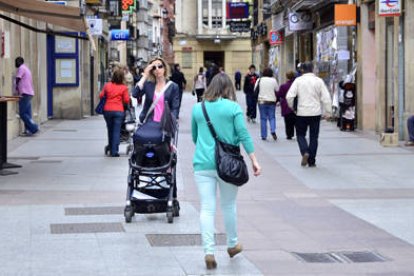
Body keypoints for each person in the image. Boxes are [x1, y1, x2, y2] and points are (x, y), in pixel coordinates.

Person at [191, 73, 261, 270]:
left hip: (203, 164)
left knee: (207, 207)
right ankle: (232, 245)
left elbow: (195, 138)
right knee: (228, 205)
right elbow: (243, 135)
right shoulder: (233, 108)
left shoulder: (198, 108)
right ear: (228, 88)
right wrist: (254, 160)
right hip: (228, 164)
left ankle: (209, 251)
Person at [133, 57, 181, 201]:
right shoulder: (148, 85)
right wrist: (145, 75)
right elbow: (134, 94)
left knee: (168, 159)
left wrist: (170, 124)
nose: (158, 69)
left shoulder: (173, 87)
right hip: (149, 124)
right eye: (154, 67)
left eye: (160, 66)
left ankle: (172, 194)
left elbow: (175, 109)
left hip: (164, 126)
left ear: (165, 68)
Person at [286, 62, 332, 167]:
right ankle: (312, 160)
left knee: (300, 135)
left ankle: (304, 151)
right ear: (312, 69)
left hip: (302, 113)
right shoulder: (318, 81)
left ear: (302, 70)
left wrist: (293, 108)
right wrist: (328, 112)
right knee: (314, 137)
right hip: (315, 113)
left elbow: (289, 96)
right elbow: (326, 97)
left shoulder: (298, 81)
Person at [99, 69, 130, 157]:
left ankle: (110, 146)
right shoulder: (124, 87)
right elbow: (126, 100)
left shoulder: (107, 85)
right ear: (122, 78)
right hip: (118, 111)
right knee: (116, 131)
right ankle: (114, 151)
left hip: (107, 110)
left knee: (110, 130)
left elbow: (101, 96)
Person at [14, 57, 39, 136]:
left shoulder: (21, 68)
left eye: (16, 62)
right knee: (27, 114)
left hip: (25, 93)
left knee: (22, 113)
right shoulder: (26, 68)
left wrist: (15, 88)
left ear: (19, 62)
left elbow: (18, 78)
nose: (15, 64)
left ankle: (34, 127)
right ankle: (28, 131)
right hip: (29, 93)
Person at [254, 67, 279, 141]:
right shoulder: (273, 80)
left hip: (262, 101)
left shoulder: (259, 80)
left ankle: (264, 135)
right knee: (272, 117)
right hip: (271, 101)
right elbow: (277, 89)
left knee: (263, 118)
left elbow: (255, 89)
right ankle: (273, 130)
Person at [276, 71, 297, 140]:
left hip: (286, 104)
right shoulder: (296, 85)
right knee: (296, 120)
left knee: (287, 121)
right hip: (295, 104)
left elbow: (279, 95)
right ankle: (298, 133)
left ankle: (289, 134)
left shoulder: (283, 86)